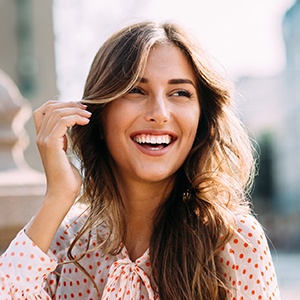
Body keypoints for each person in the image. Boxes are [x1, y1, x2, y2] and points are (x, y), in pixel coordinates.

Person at [0, 21, 280, 300]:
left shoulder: (233, 240)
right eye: (136, 90)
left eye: (179, 93)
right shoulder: (64, 242)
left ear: (201, 119)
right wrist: (58, 197)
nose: (159, 113)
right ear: (98, 113)